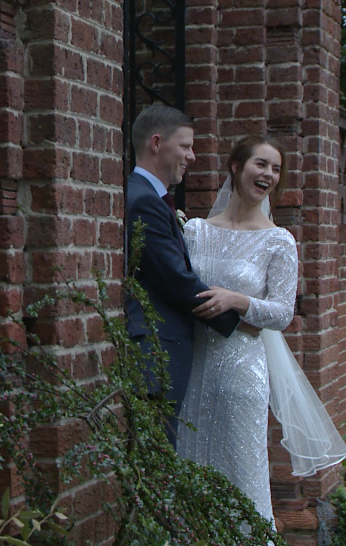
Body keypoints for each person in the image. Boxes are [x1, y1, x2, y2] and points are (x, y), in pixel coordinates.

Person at [176, 135, 346, 528]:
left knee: (243, 478)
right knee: (188, 470)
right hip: (192, 368)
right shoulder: (195, 231)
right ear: (236, 166)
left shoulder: (278, 241)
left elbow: (283, 313)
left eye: (276, 168)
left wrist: (238, 301)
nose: (269, 174)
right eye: (261, 164)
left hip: (242, 376)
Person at [124, 103, 241, 444]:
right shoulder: (143, 200)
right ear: (156, 143)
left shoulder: (150, 198)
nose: (192, 156)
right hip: (155, 350)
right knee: (155, 454)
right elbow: (174, 279)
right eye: (186, 146)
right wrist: (235, 318)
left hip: (165, 348)